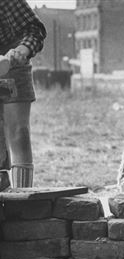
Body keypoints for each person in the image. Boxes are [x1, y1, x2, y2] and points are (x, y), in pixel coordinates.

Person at [0, 0, 46, 188]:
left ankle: (22, 199)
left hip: (11, 62)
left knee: (19, 132)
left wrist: (21, 50)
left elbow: (35, 29)